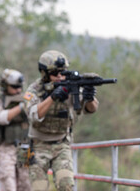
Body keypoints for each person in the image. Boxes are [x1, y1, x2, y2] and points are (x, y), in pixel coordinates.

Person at [24, 50, 99, 191]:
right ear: (44, 73)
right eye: (55, 73)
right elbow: (32, 115)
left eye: (63, 73)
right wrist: (52, 97)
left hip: (62, 144)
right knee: (38, 187)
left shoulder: (70, 85)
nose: (60, 77)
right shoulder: (35, 89)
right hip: (38, 145)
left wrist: (90, 97)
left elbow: (91, 109)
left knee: (66, 184)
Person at [0, 69, 31, 191]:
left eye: (19, 87)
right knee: (9, 184)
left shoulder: (27, 97)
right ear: (5, 85)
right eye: (14, 87)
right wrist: (21, 107)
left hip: (24, 147)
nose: (18, 90)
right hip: (5, 148)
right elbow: (1, 118)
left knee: (26, 184)